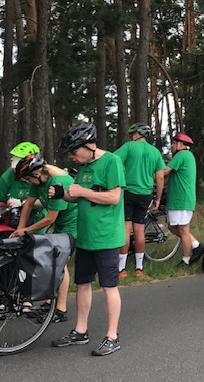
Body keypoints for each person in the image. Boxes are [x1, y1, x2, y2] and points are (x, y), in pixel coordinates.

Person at [51, 123, 125, 356]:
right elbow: (80, 196)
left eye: (74, 152)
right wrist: (64, 195)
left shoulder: (111, 162)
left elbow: (113, 197)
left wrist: (81, 192)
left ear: (89, 145)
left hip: (106, 238)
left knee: (108, 286)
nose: (72, 157)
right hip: (85, 237)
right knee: (82, 284)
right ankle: (80, 331)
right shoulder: (84, 166)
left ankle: (112, 336)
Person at [10, 153, 77, 323]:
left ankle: (60, 309)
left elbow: (50, 219)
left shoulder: (56, 182)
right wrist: (20, 229)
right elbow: (28, 205)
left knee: (60, 263)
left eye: (27, 178)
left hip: (75, 224)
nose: (26, 182)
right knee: (53, 260)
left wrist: (26, 231)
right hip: (61, 224)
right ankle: (50, 303)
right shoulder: (39, 182)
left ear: (36, 174)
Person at [114, 123, 166, 277]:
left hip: (128, 192)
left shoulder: (129, 147)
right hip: (145, 194)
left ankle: (121, 269)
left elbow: (112, 160)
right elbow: (160, 177)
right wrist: (157, 198)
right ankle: (139, 268)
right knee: (139, 231)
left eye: (133, 133)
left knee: (125, 229)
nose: (131, 136)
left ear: (137, 134)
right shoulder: (155, 152)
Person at [159, 132, 204, 266]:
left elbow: (165, 171)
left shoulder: (182, 155)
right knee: (172, 227)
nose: (172, 145)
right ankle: (196, 245)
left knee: (183, 230)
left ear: (181, 145)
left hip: (181, 199)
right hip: (179, 199)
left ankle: (186, 259)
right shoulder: (187, 156)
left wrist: (151, 171)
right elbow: (172, 178)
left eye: (174, 143)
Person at [0, 141, 46, 228]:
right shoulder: (8, 176)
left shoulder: (42, 176)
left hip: (38, 220)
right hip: (13, 221)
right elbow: (1, 198)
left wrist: (22, 203)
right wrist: (6, 205)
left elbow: (46, 201)